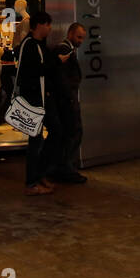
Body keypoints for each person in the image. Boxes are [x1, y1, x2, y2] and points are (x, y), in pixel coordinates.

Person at [17, 12, 56, 196]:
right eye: (48, 24)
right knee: (36, 140)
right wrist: (56, 62)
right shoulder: (30, 45)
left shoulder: (38, 45)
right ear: (39, 25)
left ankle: (38, 175)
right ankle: (32, 182)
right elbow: (32, 71)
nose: (50, 28)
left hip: (41, 99)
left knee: (53, 132)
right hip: (34, 101)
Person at [46, 23, 88, 185]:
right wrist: (70, 97)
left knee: (68, 134)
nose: (81, 41)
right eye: (79, 37)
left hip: (64, 100)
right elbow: (63, 78)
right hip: (66, 100)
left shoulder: (64, 49)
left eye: (82, 38)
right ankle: (66, 169)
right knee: (72, 133)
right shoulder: (64, 50)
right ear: (70, 34)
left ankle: (60, 167)